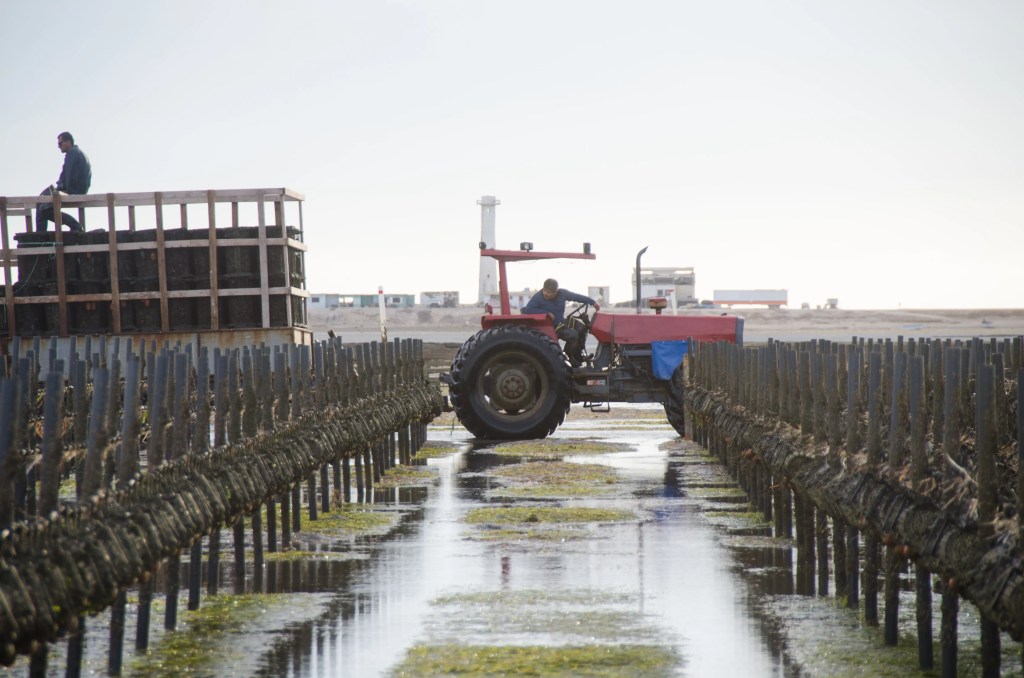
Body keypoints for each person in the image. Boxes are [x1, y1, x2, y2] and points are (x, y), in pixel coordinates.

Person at [522, 278, 599, 366]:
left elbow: (577, 297)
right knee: (573, 335)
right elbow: (528, 310)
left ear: (556, 292)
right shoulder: (538, 297)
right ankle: (569, 356)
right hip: (552, 325)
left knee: (582, 328)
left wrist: (592, 302)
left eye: (549, 292)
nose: (546, 294)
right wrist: (546, 313)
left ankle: (577, 355)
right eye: (545, 291)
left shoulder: (562, 294)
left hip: (561, 322)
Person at [36, 131, 91, 233]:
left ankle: (40, 235)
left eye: (60, 143)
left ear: (68, 142)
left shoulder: (72, 152)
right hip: (77, 188)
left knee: (41, 202)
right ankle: (74, 225)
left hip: (73, 190)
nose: (59, 146)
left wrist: (61, 189)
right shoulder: (77, 152)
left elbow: (69, 175)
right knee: (43, 204)